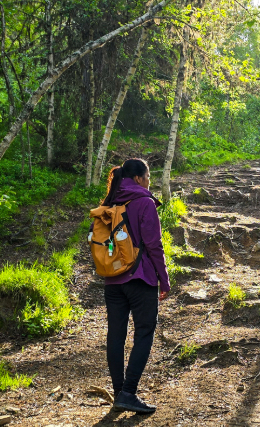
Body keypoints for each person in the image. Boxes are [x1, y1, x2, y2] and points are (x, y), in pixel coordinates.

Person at [99, 158, 170, 415]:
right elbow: (154, 245)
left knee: (115, 336)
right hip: (140, 278)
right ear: (139, 178)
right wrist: (164, 278)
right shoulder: (144, 202)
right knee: (144, 332)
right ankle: (128, 392)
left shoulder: (109, 202)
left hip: (112, 279)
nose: (149, 181)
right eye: (149, 177)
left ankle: (120, 393)